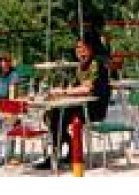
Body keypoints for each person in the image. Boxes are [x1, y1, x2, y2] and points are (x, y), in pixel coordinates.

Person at [38, 39, 111, 170]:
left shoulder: (96, 65)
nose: (80, 51)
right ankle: (70, 148)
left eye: (84, 48)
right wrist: (59, 92)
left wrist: (64, 92)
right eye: (78, 48)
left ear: (91, 50)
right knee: (50, 115)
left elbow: (86, 89)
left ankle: (58, 156)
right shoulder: (80, 66)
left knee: (56, 117)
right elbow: (75, 86)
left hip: (94, 108)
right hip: (81, 106)